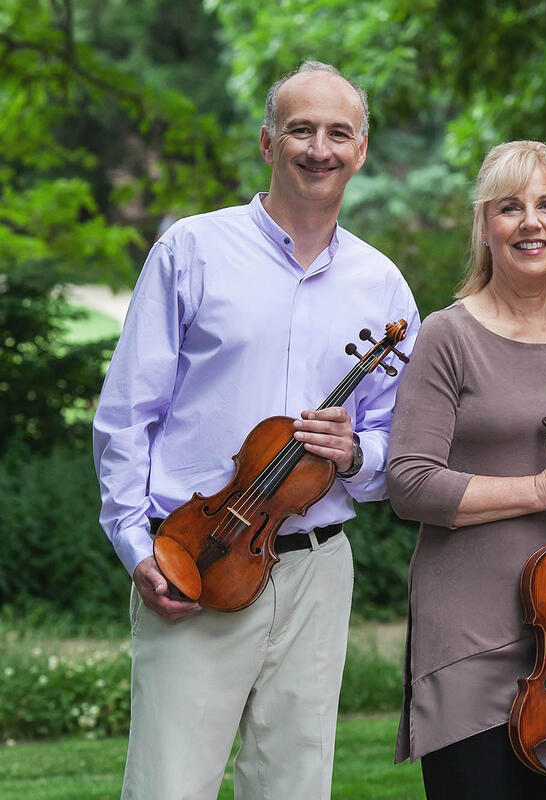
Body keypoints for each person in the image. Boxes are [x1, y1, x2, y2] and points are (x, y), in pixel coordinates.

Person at [92, 60, 420, 799]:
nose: (319, 148)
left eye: (338, 133)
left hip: (316, 572)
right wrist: (137, 547)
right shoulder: (191, 250)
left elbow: (398, 440)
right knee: (169, 786)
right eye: (301, 129)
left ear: (361, 150)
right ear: (268, 143)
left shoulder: (382, 285)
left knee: (294, 786)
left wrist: (355, 453)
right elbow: (127, 413)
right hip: (196, 558)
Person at [386, 140, 546, 800]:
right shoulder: (448, 335)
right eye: (509, 207)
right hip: (469, 637)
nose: (531, 222)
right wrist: (540, 489)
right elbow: (410, 482)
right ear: (485, 225)